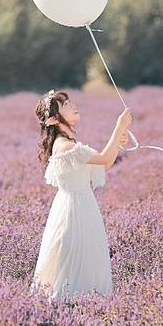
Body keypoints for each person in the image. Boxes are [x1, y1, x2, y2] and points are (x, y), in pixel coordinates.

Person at [30, 89, 132, 301]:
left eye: (69, 102)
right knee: (80, 260)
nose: (72, 105)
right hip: (76, 209)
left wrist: (118, 140)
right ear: (54, 119)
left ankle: (78, 306)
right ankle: (76, 307)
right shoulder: (67, 146)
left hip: (76, 205)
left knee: (80, 259)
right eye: (65, 105)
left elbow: (105, 161)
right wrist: (118, 127)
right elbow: (104, 159)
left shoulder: (66, 144)